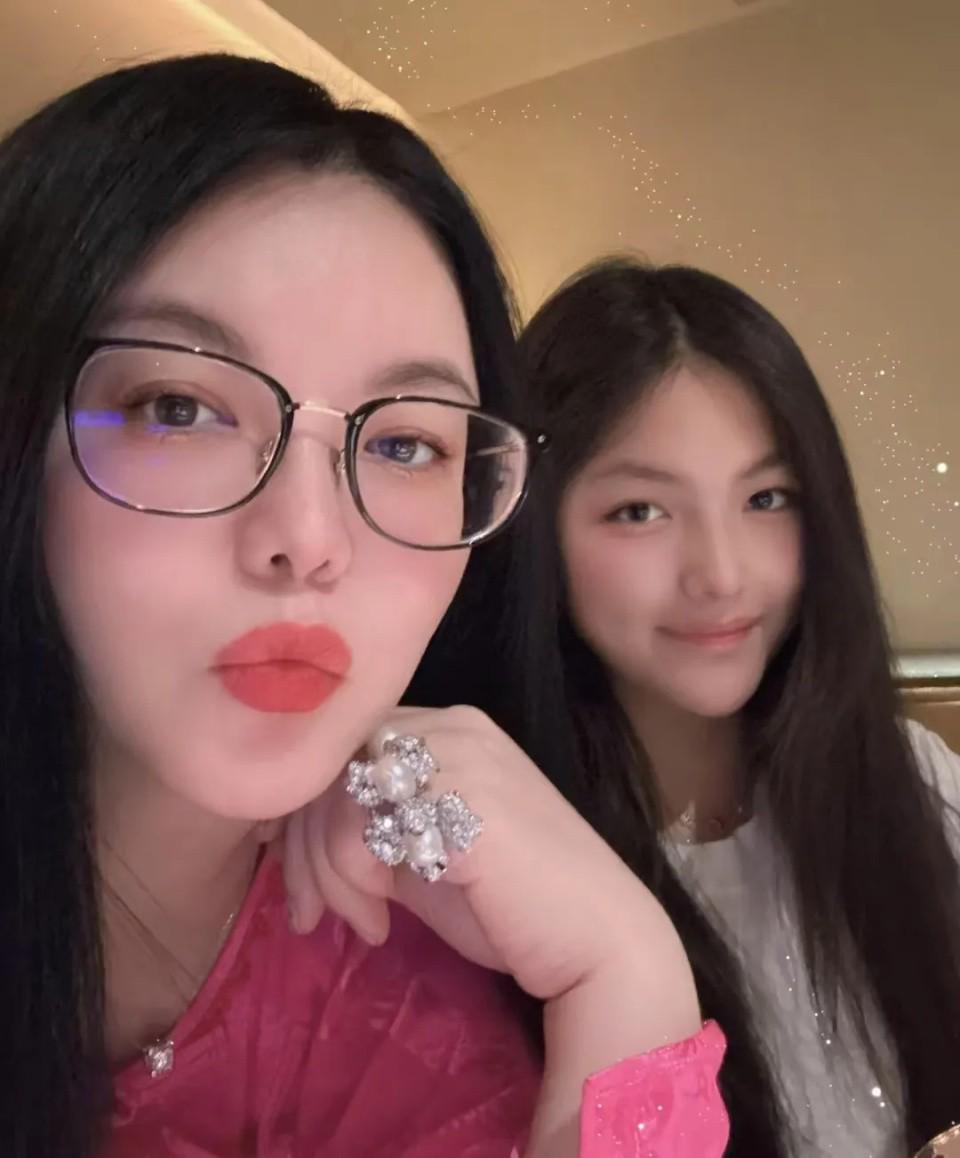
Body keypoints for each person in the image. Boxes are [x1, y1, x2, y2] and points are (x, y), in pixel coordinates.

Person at [0, 58, 729, 1157]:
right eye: (180, 406)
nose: (311, 538)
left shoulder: (409, 987)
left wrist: (626, 971)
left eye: (405, 445)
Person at [516, 256, 960, 1157]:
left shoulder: (913, 782)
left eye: (766, 498)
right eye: (640, 511)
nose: (721, 575)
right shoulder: (514, 878)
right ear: (534, 530)